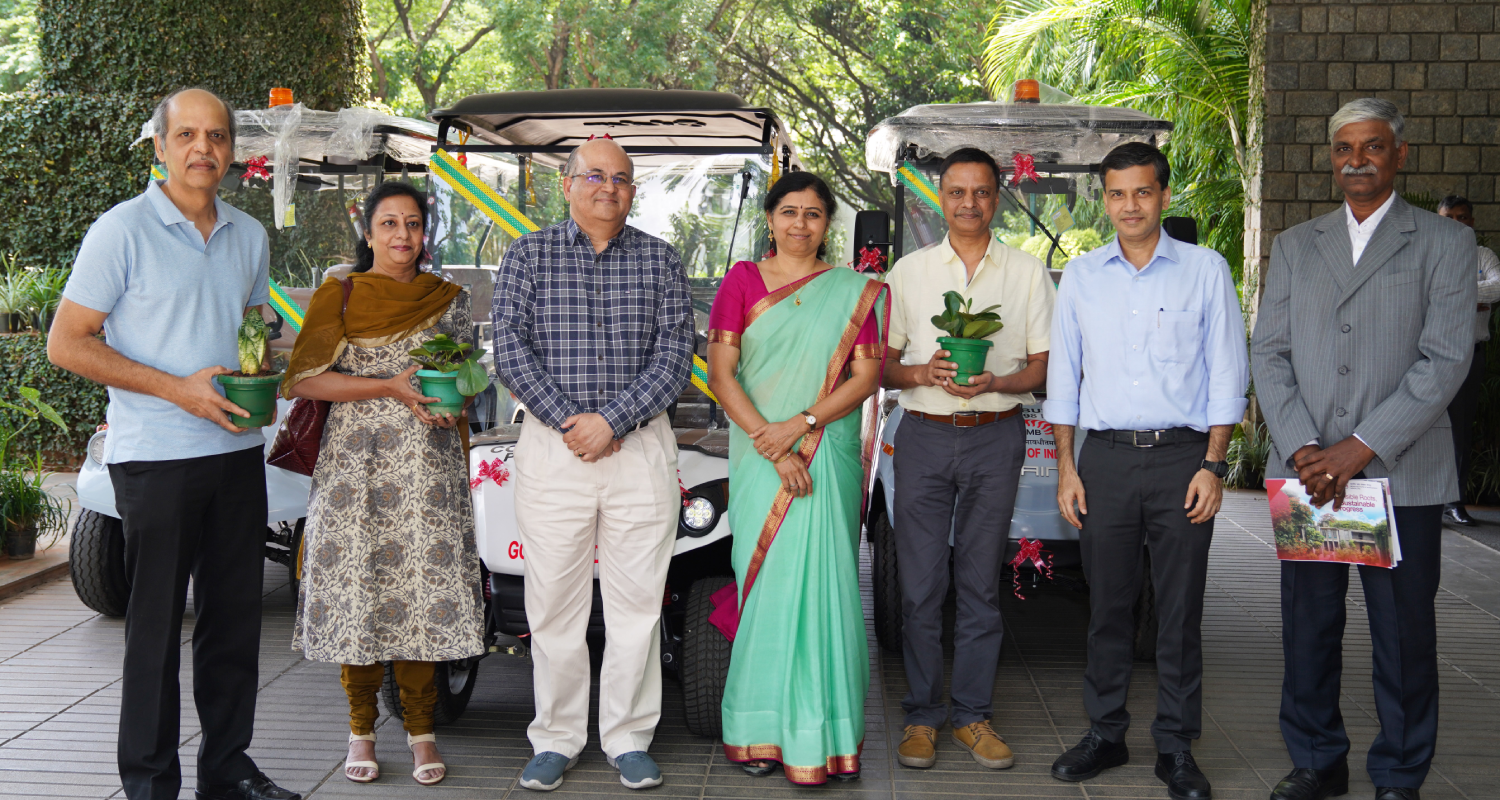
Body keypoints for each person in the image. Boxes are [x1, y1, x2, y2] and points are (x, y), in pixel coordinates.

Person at [46, 87, 300, 800]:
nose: (202, 149)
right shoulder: (120, 231)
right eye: (186, 134)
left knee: (233, 626)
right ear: (159, 147)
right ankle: (150, 785)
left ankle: (227, 770)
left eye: (216, 136)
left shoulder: (249, 236)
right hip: (154, 458)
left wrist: (266, 377)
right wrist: (177, 388)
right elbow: (66, 343)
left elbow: (252, 336)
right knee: (154, 633)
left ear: (231, 150)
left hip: (234, 454)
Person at [1251, 98, 1476, 800]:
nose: (1357, 160)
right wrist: (1304, 448)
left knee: (1402, 636)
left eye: (1372, 147)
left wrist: (1360, 446)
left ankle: (1399, 774)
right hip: (1310, 473)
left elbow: (1444, 360)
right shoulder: (1295, 244)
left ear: (1398, 155)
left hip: (1398, 473)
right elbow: (1270, 351)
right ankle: (1317, 760)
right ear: (1332, 156)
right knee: (1309, 628)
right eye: (1345, 147)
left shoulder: (1445, 244)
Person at [1044, 141, 1247, 800]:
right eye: (1116, 193)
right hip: (1102, 461)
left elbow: (1226, 372)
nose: (1129, 205)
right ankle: (1105, 733)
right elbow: (1063, 379)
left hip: (1183, 460)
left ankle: (1175, 747)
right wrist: (1067, 469)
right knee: (1107, 606)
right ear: (1104, 200)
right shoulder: (1081, 276)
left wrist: (1214, 465)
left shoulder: (1205, 270)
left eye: (1142, 192)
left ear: (1163, 195)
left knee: (1179, 611)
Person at [492, 136, 694, 792]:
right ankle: (555, 738)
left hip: (639, 449)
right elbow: (511, 349)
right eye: (596, 176)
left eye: (623, 178)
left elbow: (674, 356)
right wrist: (571, 421)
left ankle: (629, 736)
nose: (610, 187)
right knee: (554, 605)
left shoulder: (662, 261)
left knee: (638, 604)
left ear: (634, 190)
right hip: (554, 450)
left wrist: (614, 420)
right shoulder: (527, 255)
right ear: (568, 184)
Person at [281, 181, 484, 788]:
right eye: (390, 223)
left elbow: (465, 378)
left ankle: (422, 732)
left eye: (414, 224)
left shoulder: (448, 297)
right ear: (367, 232)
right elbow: (305, 382)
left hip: (427, 466)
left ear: (427, 234)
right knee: (358, 592)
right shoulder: (339, 293)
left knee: (421, 592)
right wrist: (388, 386)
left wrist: (452, 404)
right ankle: (361, 728)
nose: (403, 236)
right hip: (353, 466)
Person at [706, 171, 888, 785]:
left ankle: (827, 736)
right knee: (768, 588)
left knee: (827, 588)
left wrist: (802, 425)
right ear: (770, 219)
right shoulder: (742, 282)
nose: (800, 224)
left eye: (813, 214)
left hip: (825, 450)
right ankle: (759, 731)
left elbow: (866, 379)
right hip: (762, 455)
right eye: (789, 211)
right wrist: (773, 442)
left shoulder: (852, 291)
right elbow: (722, 374)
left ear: (827, 223)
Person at [880, 147, 1054, 772]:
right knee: (920, 586)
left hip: (995, 435)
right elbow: (883, 364)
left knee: (981, 584)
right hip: (923, 435)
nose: (969, 204)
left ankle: (972, 717)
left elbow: (1042, 364)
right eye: (957, 192)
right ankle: (923, 718)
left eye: (981, 192)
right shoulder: (910, 272)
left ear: (997, 196)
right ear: (940, 196)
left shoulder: (1027, 272)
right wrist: (922, 371)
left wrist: (997, 384)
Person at [1434, 195, 1500, 527]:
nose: (1457, 224)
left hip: (1469, 357)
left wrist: (1458, 295)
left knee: (1459, 431)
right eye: (1449, 218)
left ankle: (1454, 502)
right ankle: (1424, 504)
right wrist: (1473, 296)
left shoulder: (1483, 255)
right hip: (1429, 358)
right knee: (1423, 429)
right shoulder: (1428, 255)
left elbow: (1498, 286)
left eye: (1463, 218)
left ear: (1471, 222)